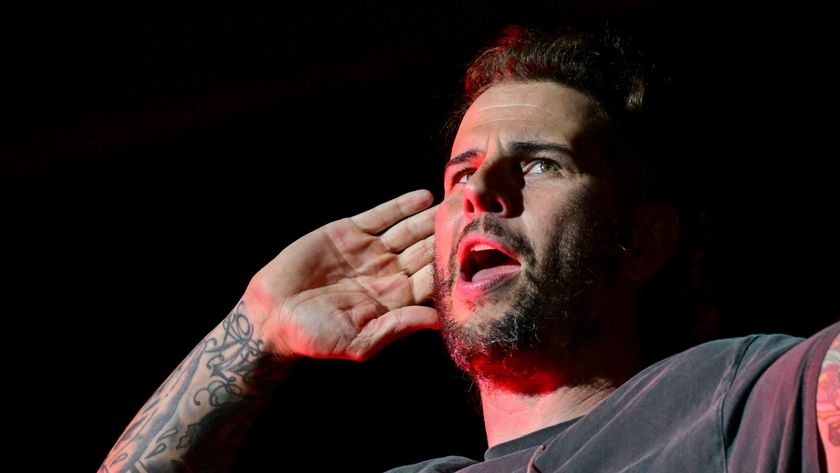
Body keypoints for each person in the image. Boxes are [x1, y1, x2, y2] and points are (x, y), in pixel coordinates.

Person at [100, 25, 839, 472]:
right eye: (460, 173)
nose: (482, 188)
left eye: (541, 163)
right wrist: (256, 327)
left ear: (643, 239)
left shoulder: (737, 400)